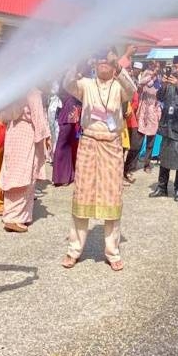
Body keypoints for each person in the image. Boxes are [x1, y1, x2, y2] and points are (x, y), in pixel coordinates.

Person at [61, 48, 137, 270]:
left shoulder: (119, 86)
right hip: (89, 143)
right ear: (95, 64)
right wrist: (80, 60)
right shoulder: (86, 84)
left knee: (112, 198)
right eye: (101, 61)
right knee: (82, 195)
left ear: (113, 64)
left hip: (112, 145)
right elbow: (67, 84)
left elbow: (132, 90)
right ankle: (74, 250)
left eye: (108, 61)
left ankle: (113, 252)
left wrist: (120, 67)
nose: (104, 64)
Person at [0, 87, 51, 232]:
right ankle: (14, 217)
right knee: (24, 174)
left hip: (14, 130)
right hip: (26, 132)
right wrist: (46, 136)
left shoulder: (15, 90)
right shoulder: (32, 91)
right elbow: (38, 116)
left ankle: (13, 214)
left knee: (14, 173)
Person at [150, 55, 178, 201]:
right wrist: (163, 85)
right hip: (168, 125)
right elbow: (160, 97)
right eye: (175, 67)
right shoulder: (169, 83)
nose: (176, 70)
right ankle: (162, 187)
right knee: (165, 157)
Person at [52, 83, 82, 186]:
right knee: (63, 145)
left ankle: (67, 176)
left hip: (71, 116)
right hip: (68, 116)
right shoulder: (67, 83)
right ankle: (60, 177)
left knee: (68, 146)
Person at [136, 61, 162, 172]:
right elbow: (141, 83)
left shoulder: (160, 78)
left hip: (154, 110)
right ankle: (134, 162)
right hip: (144, 111)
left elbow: (160, 92)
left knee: (151, 139)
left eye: (158, 65)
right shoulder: (147, 73)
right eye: (154, 65)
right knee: (138, 139)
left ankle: (147, 163)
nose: (156, 67)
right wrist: (152, 74)